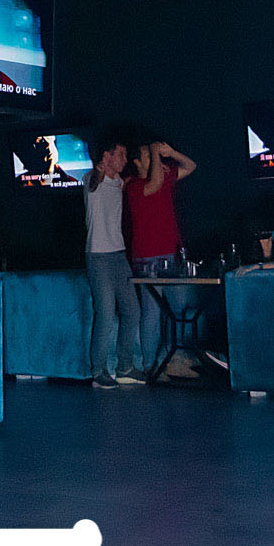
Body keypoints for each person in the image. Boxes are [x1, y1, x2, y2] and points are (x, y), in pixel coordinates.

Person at [125, 139, 199, 379]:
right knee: (152, 312)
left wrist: (172, 152)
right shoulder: (133, 185)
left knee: (180, 310)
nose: (153, 157)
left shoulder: (165, 175)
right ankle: (151, 366)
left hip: (172, 253)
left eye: (152, 154)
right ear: (137, 162)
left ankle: (176, 359)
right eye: (148, 155)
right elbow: (154, 184)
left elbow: (191, 166)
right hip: (147, 258)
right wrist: (157, 153)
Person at [83, 136, 142, 388]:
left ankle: (125, 367)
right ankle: (98, 371)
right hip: (98, 257)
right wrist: (101, 164)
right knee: (106, 313)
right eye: (121, 155)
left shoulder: (117, 181)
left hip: (119, 255)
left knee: (132, 310)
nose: (125, 160)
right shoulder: (91, 179)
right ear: (107, 156)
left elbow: (124, 180)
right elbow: (97, 178)